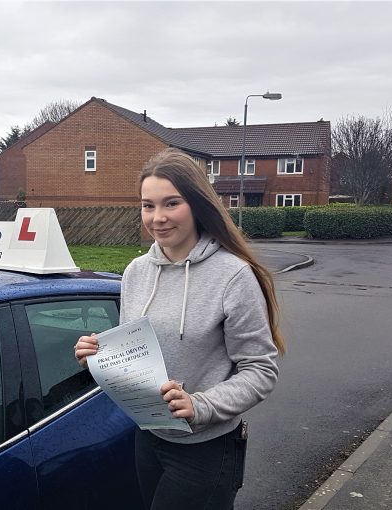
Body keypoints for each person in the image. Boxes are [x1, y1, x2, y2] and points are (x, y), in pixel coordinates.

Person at [75, 148, 283, 509]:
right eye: (148, 205)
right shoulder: (136, 272)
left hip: (206, 449)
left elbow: (261, 369)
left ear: (198, 204)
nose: (157, 218)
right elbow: (137, 352)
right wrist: (100, 358)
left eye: (171, 203)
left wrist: (201, 404)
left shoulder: (233, 275)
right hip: (148, 438)